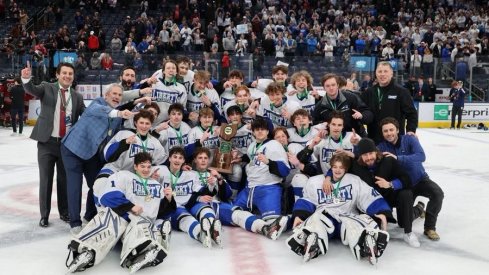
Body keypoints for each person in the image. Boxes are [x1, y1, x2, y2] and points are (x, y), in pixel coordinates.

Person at [66, 152, 175, 273]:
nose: (146, 169)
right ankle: (86, 252)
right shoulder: (124, 176)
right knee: (109, 217)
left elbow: (161, 214)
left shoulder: (157, 186)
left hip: (139, 225)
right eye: (142, 166)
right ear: (135, 166)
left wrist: (168, 200)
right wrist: (131, 206)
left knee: (142, 225)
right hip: (120, 221)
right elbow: (107, 196)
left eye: (149, 167)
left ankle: (138, 255)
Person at [286, 154, 392, 264]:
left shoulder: (354, 180)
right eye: (335, 167)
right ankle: (311, 240)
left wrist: (381, 211)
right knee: (317, 221)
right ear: (330, 167)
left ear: (345, 169)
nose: (337, 170)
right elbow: (307, 200)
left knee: (353, 225)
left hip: (346, 217)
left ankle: (365, 242)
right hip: (326, 217)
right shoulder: (315, 181)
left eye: (341, 167)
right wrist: (299, 216)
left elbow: (367, 195)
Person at [61, 83, 135, 234]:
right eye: (113, 94)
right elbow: (99, 111)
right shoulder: (97, 104)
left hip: (92, 154)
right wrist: (119, 113)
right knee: (75, 185)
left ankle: (89, 216)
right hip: (73, 149)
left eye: (119, 95)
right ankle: (75, 222)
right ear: (106, 95)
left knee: (96, 184)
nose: (116, 97)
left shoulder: (116, 117)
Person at [21, 62, 85, 228]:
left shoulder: (77, 96)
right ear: (57, 75)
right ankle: (44, 215)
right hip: (46, 143)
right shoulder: (47, 87)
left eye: (70, 73)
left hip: (66, 145)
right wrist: (26, 79)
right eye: (64, 73)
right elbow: (31, 90)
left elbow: (85, 116)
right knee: (46, 179)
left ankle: (64, 212)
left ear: (73, 77)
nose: (67, 76)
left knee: (64, 180)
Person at [221, 118, 290, 240]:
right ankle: (257, 222)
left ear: (268, 131)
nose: (260, 132)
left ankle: (295, 219)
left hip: (268, 188)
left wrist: (269, 162)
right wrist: (241, 159)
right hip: (250, 189)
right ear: (252, 132)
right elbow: (252, 159)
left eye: (262, 129)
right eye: (257, 129)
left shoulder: (274, 145)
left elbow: (285, 170)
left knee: (274, 224)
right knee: (229, 213)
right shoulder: (252, 145)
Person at [378, 117, 444, 241]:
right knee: (403, 224)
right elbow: (370, 157)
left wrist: (398, 158)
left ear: (398, 130)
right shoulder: (381, 147)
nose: (389, 133)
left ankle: (430, 227)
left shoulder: (409, 139)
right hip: (404, 186)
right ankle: (419, 208)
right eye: (385, 131)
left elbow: (421, 156)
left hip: (420, 179)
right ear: (382, 133)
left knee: (437, 194)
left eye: (391, 130)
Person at [349, 138, 420, 247]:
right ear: (360, 156)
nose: (368, 158)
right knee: (375, 227)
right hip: (375, 201)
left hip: (392, 196)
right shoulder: (356, 165)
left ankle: (410, 229)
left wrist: (390, 184)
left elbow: (407, 180)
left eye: (371, 153)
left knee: (406, 196)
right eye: (364, 155)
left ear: (376, 152)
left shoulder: (388, 160)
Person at [361, 61, 418, 143]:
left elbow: (412, 113)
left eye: (385, 71)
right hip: (374, 141)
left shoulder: (401, 92)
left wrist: (411, 130)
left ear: (391, 74)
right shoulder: (368, 93)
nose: (382, 74)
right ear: (376, 74)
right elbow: (361, 112)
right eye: (380, 71)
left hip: (395, 141)